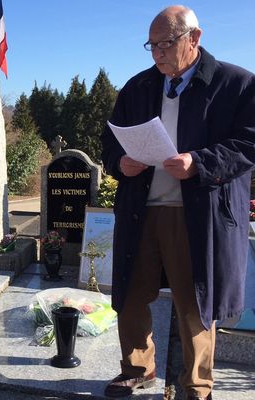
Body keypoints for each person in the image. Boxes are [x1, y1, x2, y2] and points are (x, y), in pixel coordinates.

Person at [101, 5, 255, 400]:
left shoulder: (237, 84)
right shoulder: (138, 87)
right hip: (142, 209)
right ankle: (137, 368)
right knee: (131, 294)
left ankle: (197, 384)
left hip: (198, 215)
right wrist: (121, 162)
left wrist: (198, 162)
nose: (157, 54)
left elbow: (248, 144)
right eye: (151, 46)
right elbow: (109, 142)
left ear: (195, 38)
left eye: (166, 44)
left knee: (194, 302)